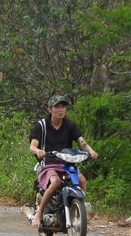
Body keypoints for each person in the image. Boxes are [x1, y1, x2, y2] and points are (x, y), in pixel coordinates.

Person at [28, 94, 98, 228]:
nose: (61, 110)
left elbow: (81, 142)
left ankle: (80, 215)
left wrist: (90, 151)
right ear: (50, 109)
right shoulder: (41, 126)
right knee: (55, 182)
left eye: (63, 106)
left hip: (67, 164)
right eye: (57, 107)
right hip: (48, 164)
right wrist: (38, 151)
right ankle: (39, 213)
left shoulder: (70, 125)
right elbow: (32, 145)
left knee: (82, 181)